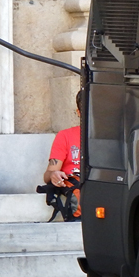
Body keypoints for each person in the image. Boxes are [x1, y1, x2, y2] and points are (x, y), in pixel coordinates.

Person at [40, 91, 82, 221]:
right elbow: (48, 174)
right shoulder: (65, 136)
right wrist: (54, 176)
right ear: (79, 112)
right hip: (77, 187)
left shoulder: (114, 138)